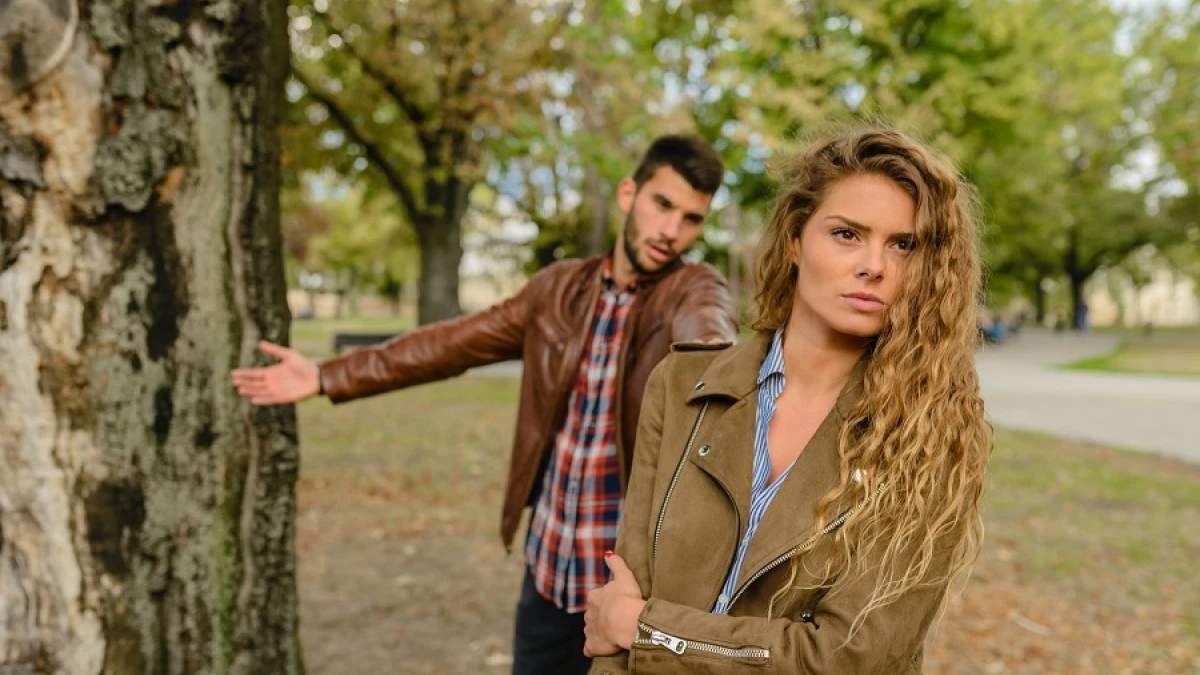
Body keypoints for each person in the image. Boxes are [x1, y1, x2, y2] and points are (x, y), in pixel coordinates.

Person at [230, 134, 739, 675]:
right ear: (628, 193)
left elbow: (709, 345)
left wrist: (715, 369)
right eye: (662, 205)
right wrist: (327, 375)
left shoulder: (692, 289)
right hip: (548, 569)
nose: (671, 231)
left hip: (628, 591)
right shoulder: (557, 290)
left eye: (691, 219)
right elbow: (451, 344)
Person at [583, 127, 992, 674]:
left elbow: (848, 658)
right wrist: (628, 628)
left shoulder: (931, 435)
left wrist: (651, 632)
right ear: (796, 241)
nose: (874, 265)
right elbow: (619, 612)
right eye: (847, 234)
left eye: (904, 244)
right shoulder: (680, 385)